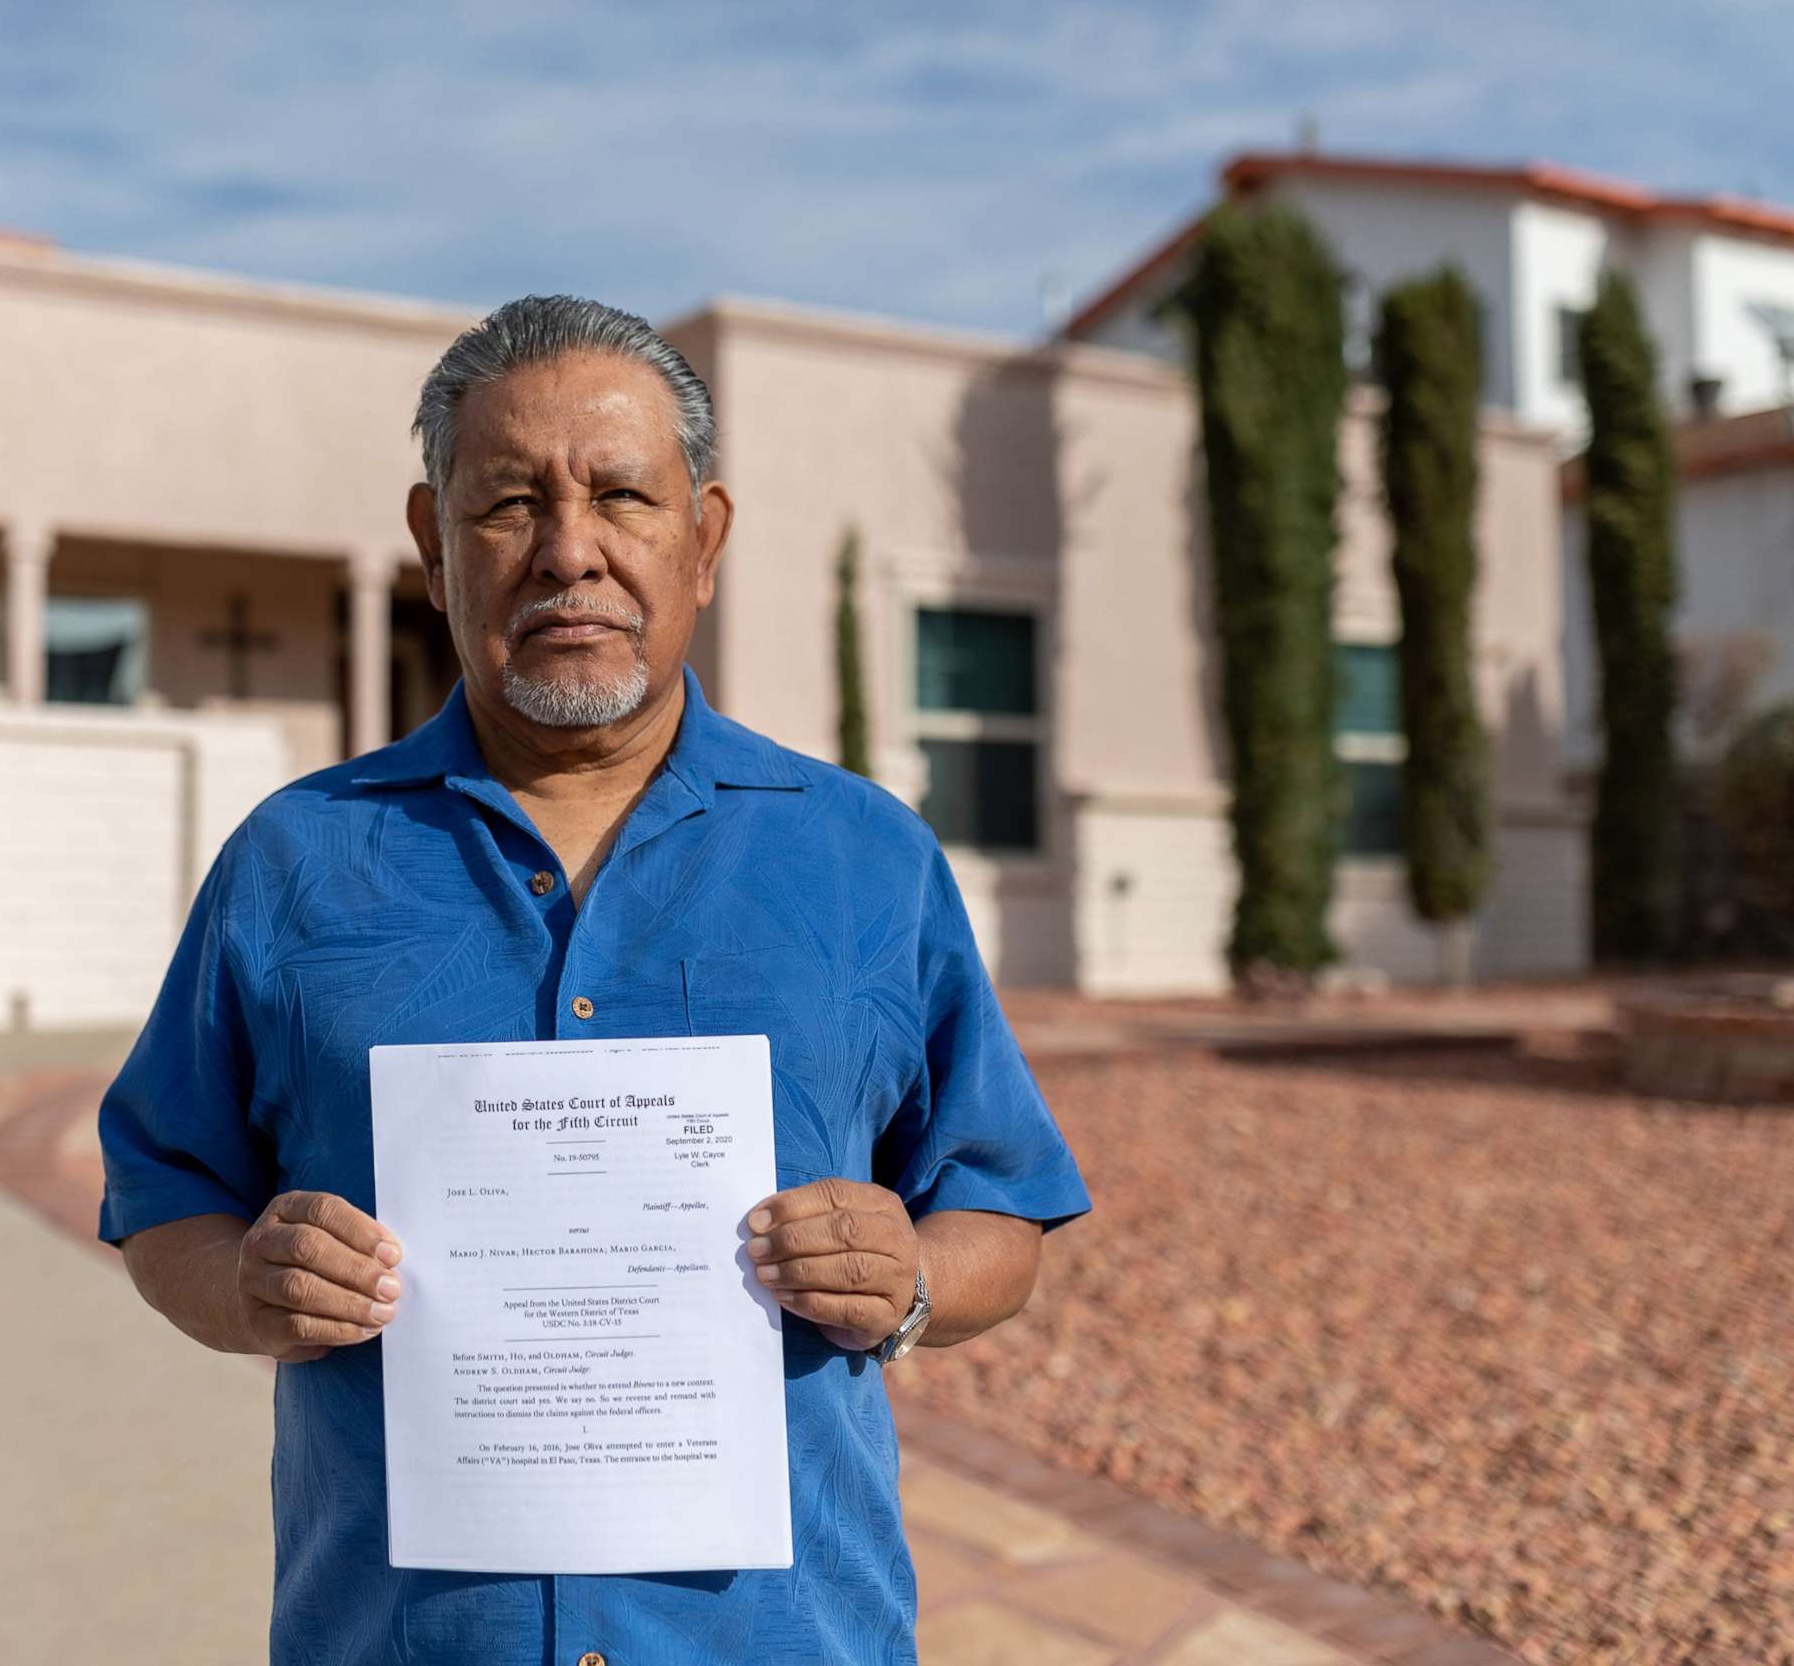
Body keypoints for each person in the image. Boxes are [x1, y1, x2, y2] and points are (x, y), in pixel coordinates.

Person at [97, 294, 1092, 1664]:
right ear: (432, 551)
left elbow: (1003, 1212)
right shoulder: (298, 864)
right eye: (508, 504)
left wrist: (912, 1275)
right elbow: (166, 1196)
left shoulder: (864, 860)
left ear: (706, 539)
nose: (570, 552)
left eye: (622, 494)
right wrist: (245, 1283)